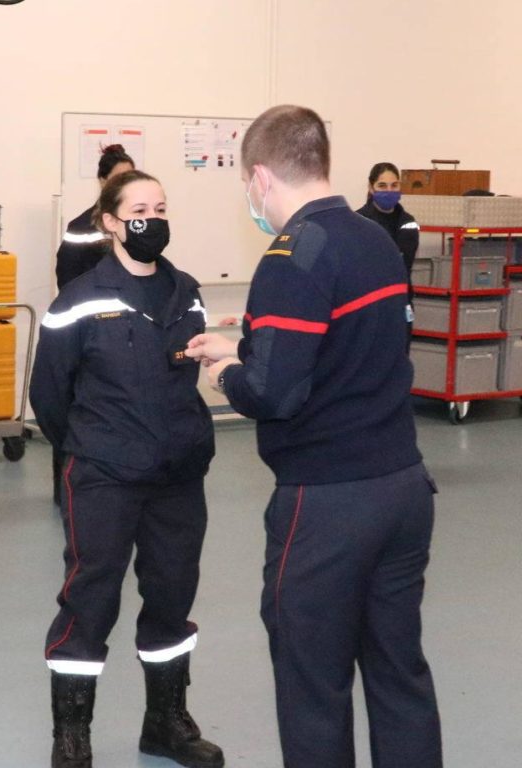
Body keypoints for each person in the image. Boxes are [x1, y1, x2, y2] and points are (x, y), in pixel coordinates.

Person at [186, 105, 441, 768]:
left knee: (313, 688)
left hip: (328, 504)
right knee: (399, 675)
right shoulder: (374, 241)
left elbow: (273, 395)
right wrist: (247, 347)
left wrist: (228, 372)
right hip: (402, 486)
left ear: (260, 177)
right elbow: (346, 348)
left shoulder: (291, 257)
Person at [31, 170, 223, 768]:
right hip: (104, 475)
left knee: (172, 593)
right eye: (139, 210)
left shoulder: (186, 291)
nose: (152, 219)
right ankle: (72, 734)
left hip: (177, 473)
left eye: (160, 208)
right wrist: (93, 446)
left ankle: (165, 722)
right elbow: (49, 395)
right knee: (91, 597)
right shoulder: (79, 299)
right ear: (111, 222)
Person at [49, 144, 135, 505]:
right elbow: (67, 282)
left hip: (127, 338)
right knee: (77, 410)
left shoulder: (137, 227)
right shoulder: (80, 228)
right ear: (102, 181)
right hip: (88, 337)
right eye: (118, 178)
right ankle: (66, 487)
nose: (125, 184)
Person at [356, 162, 420, 347]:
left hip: (401, 303)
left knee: (400, 356)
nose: (389, 191)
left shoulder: (408, 222)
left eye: (394, 185)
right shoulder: (358, 221)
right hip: (369, 307)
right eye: (382, 186)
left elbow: (405, 263)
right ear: (371, 187)